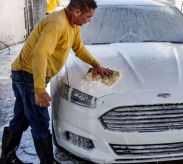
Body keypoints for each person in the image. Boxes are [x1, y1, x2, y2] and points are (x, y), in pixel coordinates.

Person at [0, 0, 113, 163]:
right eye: (88, 17)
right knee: (40, 121)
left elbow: (79, 48)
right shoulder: (57, 23)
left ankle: (7, 158)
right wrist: (39, 90)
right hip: (28, 75)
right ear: (77, 12)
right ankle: (47, 161)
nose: (89, 21)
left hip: (25, 74)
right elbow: (40, 53)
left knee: (22, 116)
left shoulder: (73, 25)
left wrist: (96, 64)